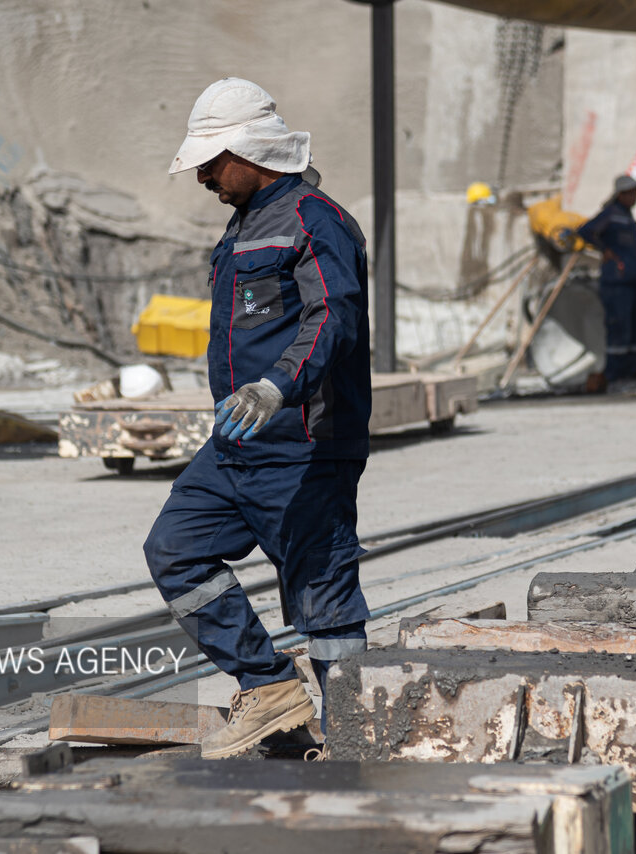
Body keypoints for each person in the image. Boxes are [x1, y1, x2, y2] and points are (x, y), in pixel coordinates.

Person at [143, 78, 372, 759]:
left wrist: (278, 387)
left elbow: (335, 314)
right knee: (175, 549)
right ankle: (270, 687)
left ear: (250, 150)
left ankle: (352, 736)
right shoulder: (244, 222)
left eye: (213, 162)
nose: (205, 176)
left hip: (304, 446)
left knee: (323, 606)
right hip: (238, 446)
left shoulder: (314, 217)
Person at [577, 174, 636, 390]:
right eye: (632, 192)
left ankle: (629, 374)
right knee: (620, 330)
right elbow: (585, 230)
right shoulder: (611, 215)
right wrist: (605, 250)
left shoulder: (626, 216)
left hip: (632, 282)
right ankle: (615, 377)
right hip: (617, 284)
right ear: (622, 194)